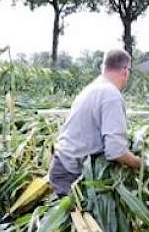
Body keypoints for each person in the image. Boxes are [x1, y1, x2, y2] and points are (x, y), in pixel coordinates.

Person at [48, 49, 142, 197]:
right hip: (70, 174)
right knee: (80, 219)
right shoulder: (111, 95)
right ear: (125, 71)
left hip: (63, 165)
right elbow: (115, 151)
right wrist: (141, 164)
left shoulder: (94, 87)